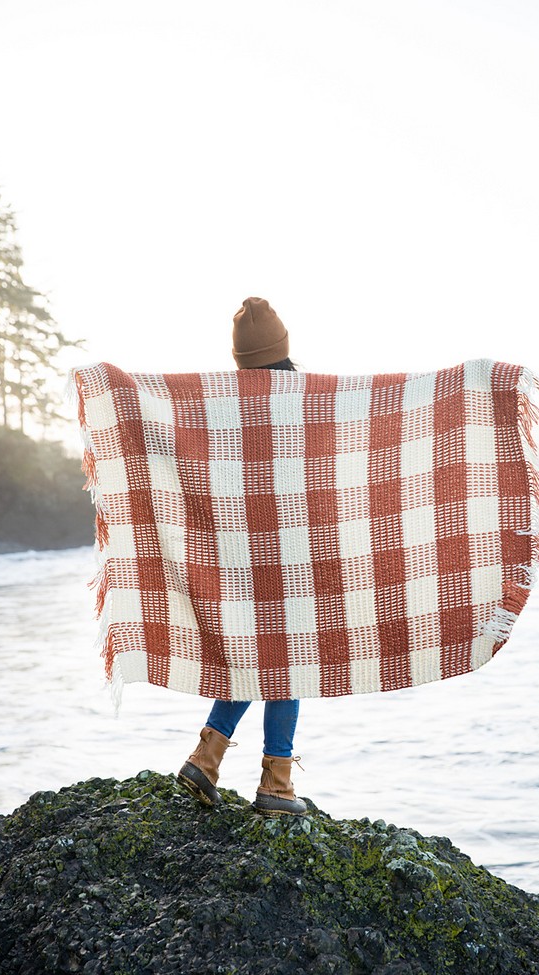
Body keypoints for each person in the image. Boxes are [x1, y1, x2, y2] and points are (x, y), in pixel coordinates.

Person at [178, 297, 307, 816]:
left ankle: (205, 759)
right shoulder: (306, 398)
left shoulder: (219, 404)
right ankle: (276, 785)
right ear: (282, 350)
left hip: (237, 553)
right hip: (292, 551)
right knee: (290, 664)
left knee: (251, 658)